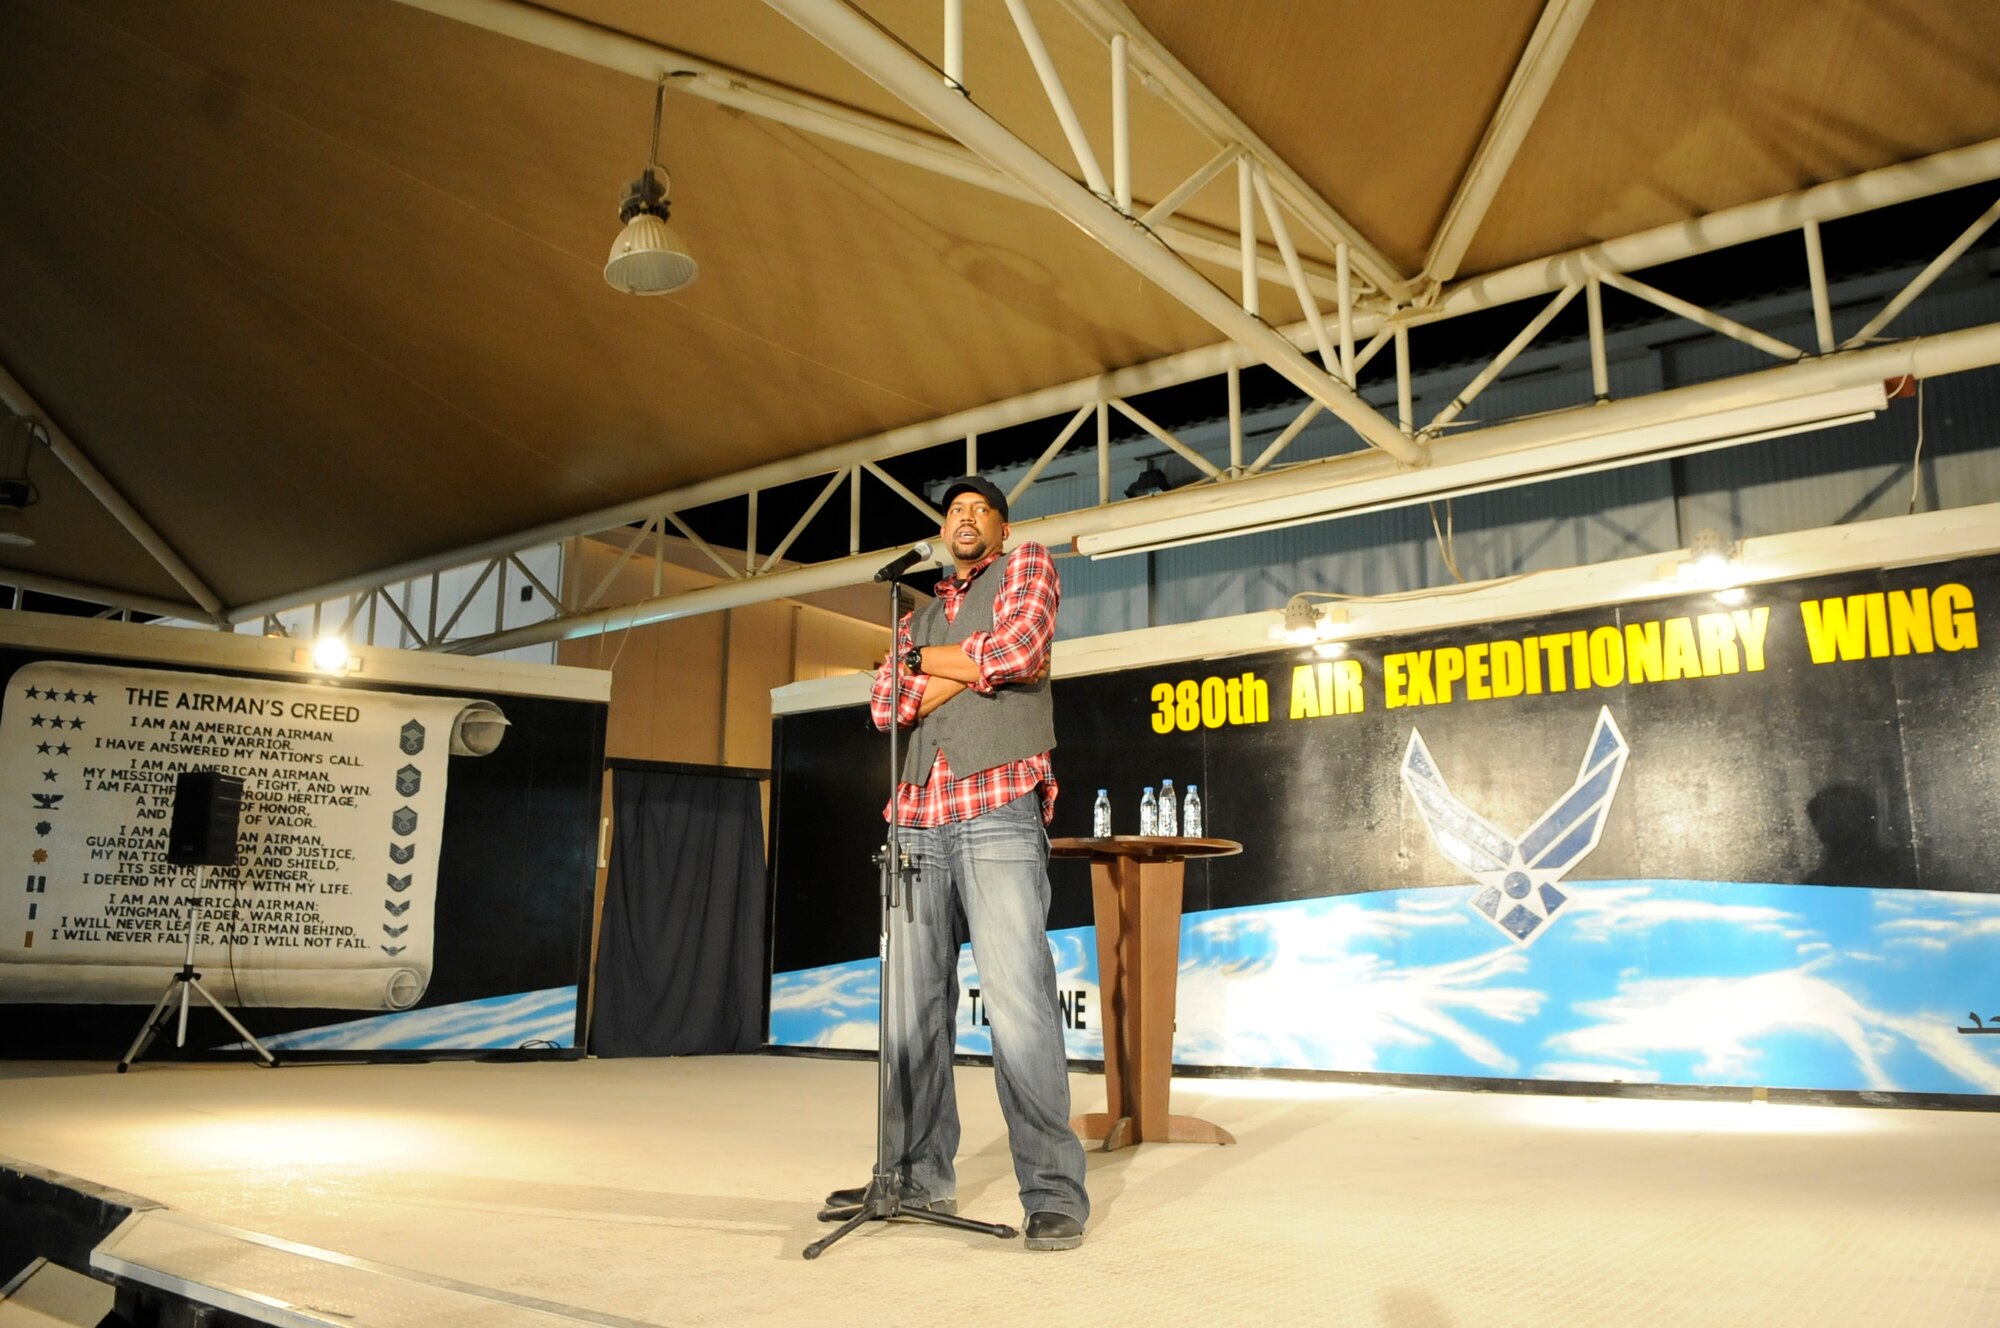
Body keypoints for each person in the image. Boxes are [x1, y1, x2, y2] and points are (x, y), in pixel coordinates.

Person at [828, 475, 1090, 1251]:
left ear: (1003, 531)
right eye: (954, 511)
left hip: (997, 806)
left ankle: (1051, 1191)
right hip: (914, 818)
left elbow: (1017, 649)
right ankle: (912, 1176)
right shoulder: (917, 610)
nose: (965, 519)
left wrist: (932, 672)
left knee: (1018, 1008)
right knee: (910, 1012)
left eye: (981, 511)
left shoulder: (1029, 566)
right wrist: (963, 667)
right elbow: (884, 706)